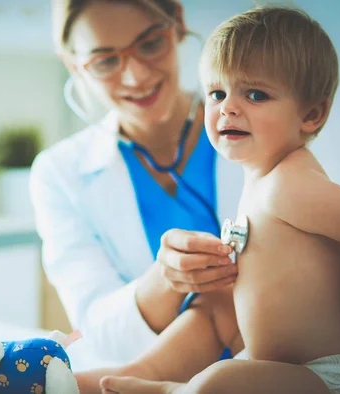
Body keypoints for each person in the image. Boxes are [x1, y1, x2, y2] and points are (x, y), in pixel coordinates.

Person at [90, 6, 340, 394]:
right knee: (223, 356)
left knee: (218, 380)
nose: (227, 107)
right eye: (216, 92)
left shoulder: (288, 183)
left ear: (311, 114)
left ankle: (166, 391)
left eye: (256, 93)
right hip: (283, 372)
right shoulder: (263, 179)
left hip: (328, 378)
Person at [30, 0, 238, 369]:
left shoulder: (258, 124)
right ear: (73, 65)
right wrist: (166, 279)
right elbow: (99, 333)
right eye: (106, 61)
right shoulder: (59, 174)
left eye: (150, 43)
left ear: (176, 22)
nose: (136, 76)